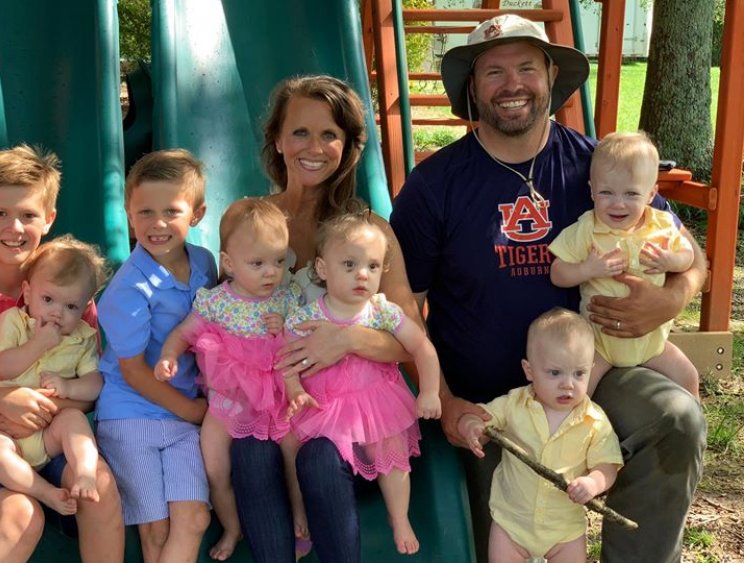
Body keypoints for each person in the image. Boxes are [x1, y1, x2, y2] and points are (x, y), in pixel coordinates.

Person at [390, 14, 707, 562]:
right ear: (471, 88)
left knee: (674, 418)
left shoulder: (600, 166)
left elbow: (688, 252)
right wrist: (444, 401)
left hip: (596, 378)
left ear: (551, 78)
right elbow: (399, 303)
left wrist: (674, 296)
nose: (512, 84)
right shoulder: (434, 185)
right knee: (501, 538)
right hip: (487, 404)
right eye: (493, 72)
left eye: (526, 68)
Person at [231, 75, 425, 563]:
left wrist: (346, 339)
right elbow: (230, 312)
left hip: (343, 418)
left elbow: (410, 340)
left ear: (349, 146)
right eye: (300, 132)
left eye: (330, 135)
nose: (314, 147)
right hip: (273, 403)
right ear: (277, 139)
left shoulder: (367, 234)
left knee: (318, 456)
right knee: (250, 450)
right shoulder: (247, 220)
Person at [0, 145, 124, 562]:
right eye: (0, 213)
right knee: (21, 515)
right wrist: (0, 400)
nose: (15, 226)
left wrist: (52, 402)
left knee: (101, 490)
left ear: (49, 219)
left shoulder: (72, 298)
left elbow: (89, 388)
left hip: (51, 433)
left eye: (28, 215)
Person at [155, 198, 307, 560]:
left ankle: (301, 515)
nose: (271, 272)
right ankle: (232, 525)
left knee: (293, 453)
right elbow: (183, 333)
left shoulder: (287, 299)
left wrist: (286, 328)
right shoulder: (216, 303)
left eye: (278, 261)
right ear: (228, 264)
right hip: (226, 403)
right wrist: (168, 356)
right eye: (257, 263)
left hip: (277, 399)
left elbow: (307, 342)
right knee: (214, 467)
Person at [284, 213, 441, 555]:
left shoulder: (382, 312)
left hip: (377, 405)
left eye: (372, 266)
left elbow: (421, 347)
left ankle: (398, 518)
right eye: (350, 264)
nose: (362, 274)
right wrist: (294, 389)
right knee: (296, 449)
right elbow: (286, 361)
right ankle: (303, 518)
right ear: (323, 270)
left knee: (394, 455)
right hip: (326, 408)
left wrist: (429, 390)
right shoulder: (306, 317)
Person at [95, 149, 217, 563]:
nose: (157, 223)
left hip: (182, 415)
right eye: (144, 212)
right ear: (129, 214)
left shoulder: (204, 262)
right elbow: (132, 371)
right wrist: (194, 411)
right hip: (133, 414)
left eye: (171, 210)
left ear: (197, 214)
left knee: (195, 517)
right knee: (157, 529)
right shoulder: (127, 289)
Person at [458, 308, 623, 562]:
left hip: (564, 531)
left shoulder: (595, 421)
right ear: (529, 370)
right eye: (555, 373)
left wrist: (593, 483)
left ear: (591, 369)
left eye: (579, 373)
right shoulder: (514, 404)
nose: (568, 384)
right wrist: (471, 426)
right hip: (511, 524)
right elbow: (480, 416)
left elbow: (608, 465)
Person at [549, 132, 698, 397]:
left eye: (631, 193)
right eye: (606, 192)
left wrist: (671, 260)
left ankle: (698, 434)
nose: (618, 203)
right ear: (592, 190)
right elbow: (557, 273)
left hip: (652, 344)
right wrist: (587, 269)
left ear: (651, 194)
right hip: (600, 343)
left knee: (689, 376)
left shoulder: (661, 225)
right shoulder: (587, 229)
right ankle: (573, 432)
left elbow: (688, 256)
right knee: (579, 393)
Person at [0, 235, 108, 516]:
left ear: (85, 307)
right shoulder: (13, 322)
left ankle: (85, 473)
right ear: (28, 292)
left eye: (71, 306)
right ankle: (44, 493)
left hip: (49, 434)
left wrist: (68, 387)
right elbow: (0, 367)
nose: (57, 313)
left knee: (73, 419)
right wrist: (38, 344)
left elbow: (95, 384)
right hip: (3, 431)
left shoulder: (83, 337)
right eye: (48, 299)